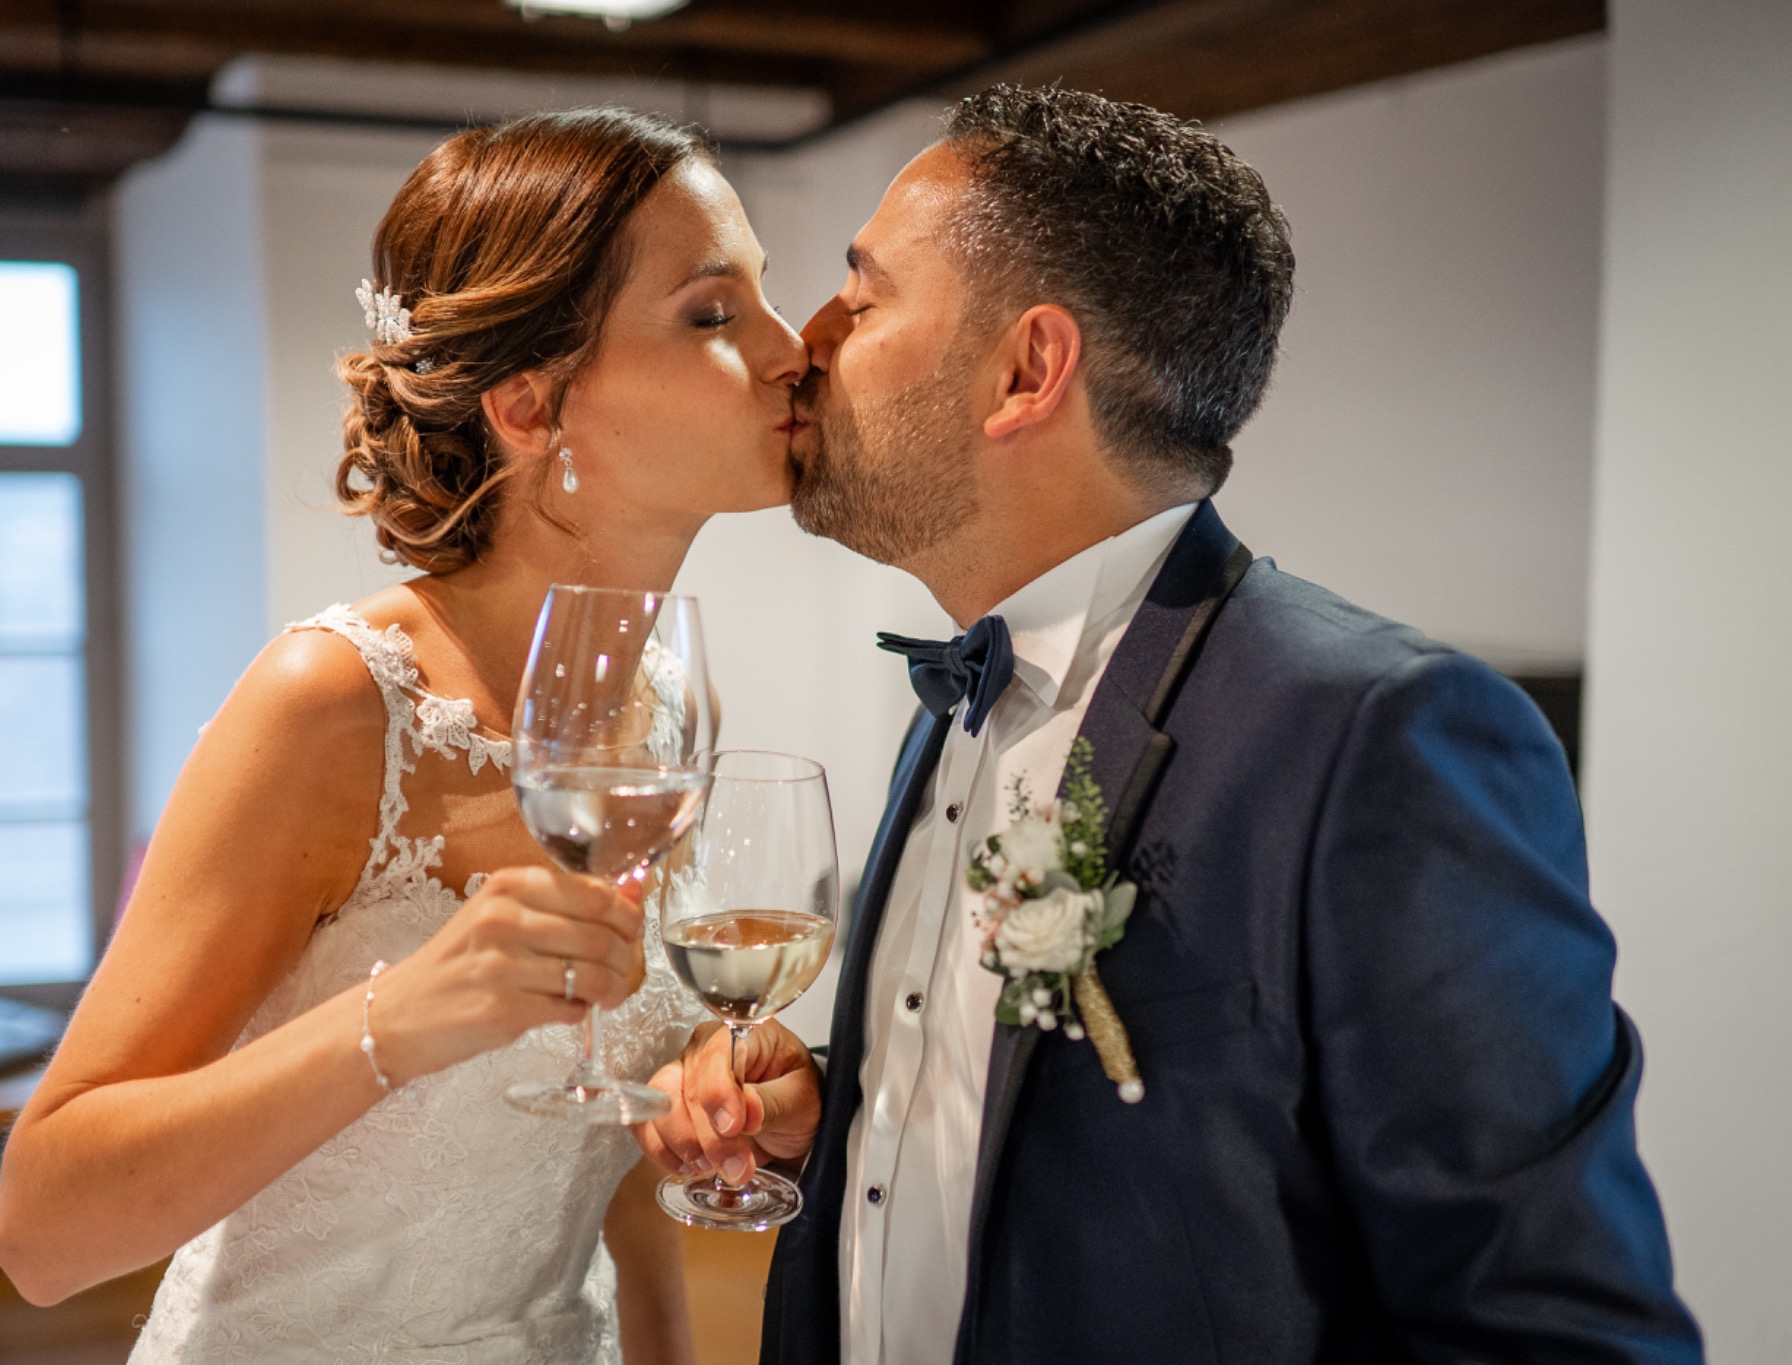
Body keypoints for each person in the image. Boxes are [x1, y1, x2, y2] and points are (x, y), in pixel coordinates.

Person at [635, 86, 1705, 1363]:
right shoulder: (961, 693)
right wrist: (857, 1113)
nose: (804, 342)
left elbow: (1550, 1326)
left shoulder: (1379, 737)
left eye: (861, 299)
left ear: (1025, 371)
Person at [0, 108, 807, 1363]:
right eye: (711, 314)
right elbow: (41, 1231)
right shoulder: (332, 703)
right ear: (530, 403)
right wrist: (393, 1023)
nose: (790, 349)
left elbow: (608, 1167)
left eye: (763, 298)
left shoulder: (644, 705)